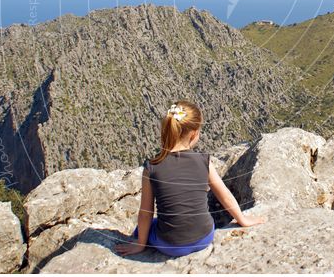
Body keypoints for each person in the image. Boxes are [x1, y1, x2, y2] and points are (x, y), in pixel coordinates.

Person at [114, 99, 265, 257]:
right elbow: (225, 196)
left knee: (146, 226)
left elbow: (146, 212)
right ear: (194, 134)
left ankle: (139, 240)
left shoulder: (151, 167)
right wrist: (243, 220)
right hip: (204, 237)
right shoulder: (204, 161)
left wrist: (140, 244)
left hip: (169, 245)